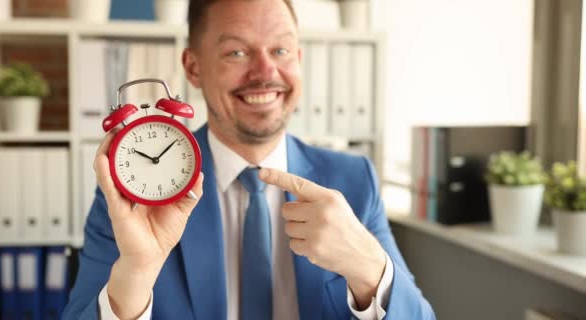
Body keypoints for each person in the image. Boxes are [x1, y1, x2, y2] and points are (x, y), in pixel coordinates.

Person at [62, 0, 435, 319]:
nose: (266, 73)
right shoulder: (136, 190)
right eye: (237, 52)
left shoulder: (354, 179)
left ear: (299, 59)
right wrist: (137, 272)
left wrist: (370, 268)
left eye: (281, 50)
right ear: (193, 67)